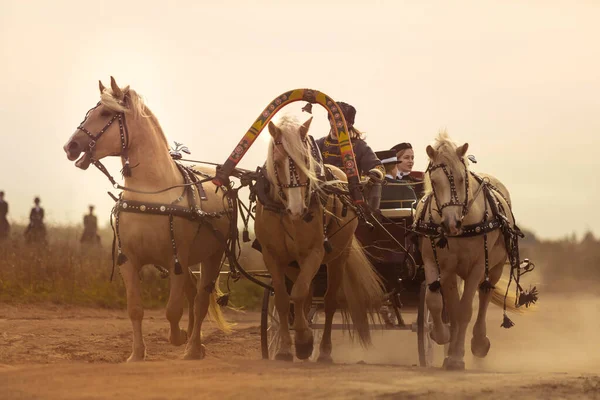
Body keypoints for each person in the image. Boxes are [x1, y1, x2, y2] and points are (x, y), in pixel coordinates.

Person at [315, 101, 384, 209]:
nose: (335, 123)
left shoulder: (359, 146)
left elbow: (378, 167)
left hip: (351, 197)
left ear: (350, 123)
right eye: (332, 118)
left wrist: (372, 176)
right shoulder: (318, 144)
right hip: (322, 196)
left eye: (341, 120)